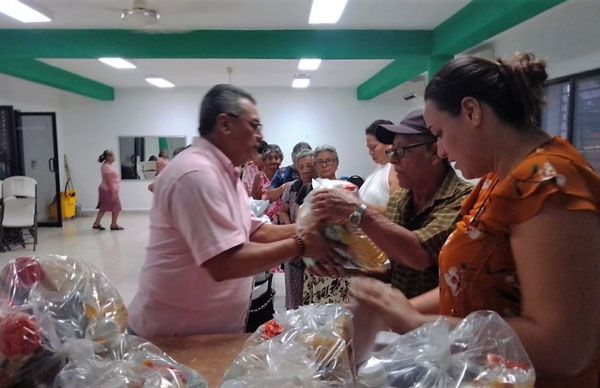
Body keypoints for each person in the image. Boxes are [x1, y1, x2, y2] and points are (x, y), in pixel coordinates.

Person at [350, 53, 600, 387]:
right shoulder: (495, 180)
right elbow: (466, 282)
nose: (440, 151)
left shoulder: (548, 182)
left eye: (439, 134)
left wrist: (417, 322)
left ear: (471, 112)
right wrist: (388, 309)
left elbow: (564, 347)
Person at [127, 84, 331, 337]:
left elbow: (257, 231)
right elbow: (224, 263)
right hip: (172, 337)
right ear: (225, 124)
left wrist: (310, 228)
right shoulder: (196, 174)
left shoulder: (225, 173)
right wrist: (301, 245)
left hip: (204, 333)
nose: (259, 136)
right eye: (254, 126)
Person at [310, 111, 471, 299]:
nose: (393, 160)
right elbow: (396, 268)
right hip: (404, 319)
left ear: (436, 152)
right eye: (392, 151)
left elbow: (418, 256)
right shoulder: (399, 200)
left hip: (444, 323)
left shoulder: (464, 200)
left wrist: (356, 210)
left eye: (402, 151)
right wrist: (346, 271)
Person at [303, 144, 351, 304]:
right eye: (320, 162)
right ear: (315, 166)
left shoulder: (348, 189)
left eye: (329, 161)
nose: (324, 165)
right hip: (316, 257)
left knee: (341, 312)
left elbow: (357, 222)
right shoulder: (310, 192)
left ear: (337, 163)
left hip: (341, 257)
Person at [278, 149, 315, 309]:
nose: (306, 170)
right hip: (293, 240)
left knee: (312, 291)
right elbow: (282, 210)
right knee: (293, 290)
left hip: (314, 246)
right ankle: (293, 320)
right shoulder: (291, 188)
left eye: (309, 165)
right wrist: (290, 228)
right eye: (301, 167)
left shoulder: (320, 186)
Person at [358, 119, 401, 211]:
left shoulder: (395, 170)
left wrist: (357, 206)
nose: (370, 153)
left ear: (389, 144)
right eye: (369, 148)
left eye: (373, 147)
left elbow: (396, 214)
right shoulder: (376, 171)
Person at [251, 144, 285, 222]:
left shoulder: (285, 174)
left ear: (281, 160)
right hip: (265, 221)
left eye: (276, 158)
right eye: (270, 158)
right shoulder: (259, 177)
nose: (273, 161)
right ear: (264, 161)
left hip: (282, 221)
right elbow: (254, 202)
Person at [92, 149, 124, 231]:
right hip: (108, 190)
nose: (114, 157)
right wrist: (113, 193)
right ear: (109, 157)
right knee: (116, 207)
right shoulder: (107, 167)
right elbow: (109, 181)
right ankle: (113, 225)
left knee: (104, 207)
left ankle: (97, 223)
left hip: (106, 189)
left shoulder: (107, 165)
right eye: (113, 155)